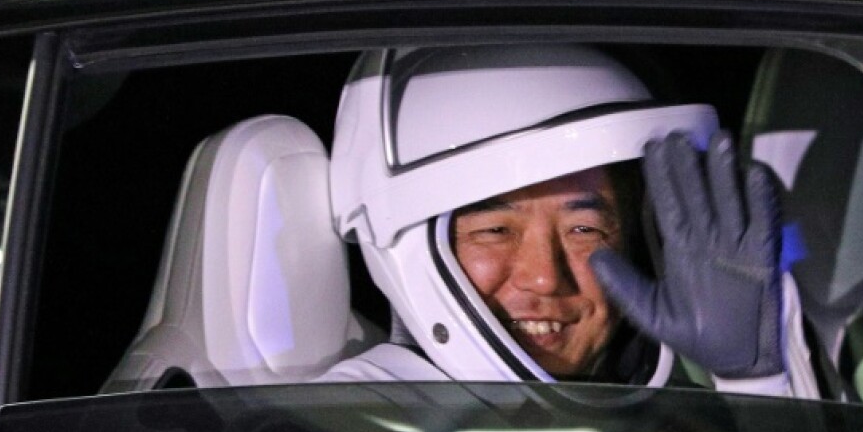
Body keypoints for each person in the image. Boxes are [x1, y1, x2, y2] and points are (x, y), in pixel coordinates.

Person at [320, 44, 818, 399]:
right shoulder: (345, 427)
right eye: (495, 230)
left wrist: (753, 383)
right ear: (404, 248)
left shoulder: (673, 417)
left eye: (584, 230)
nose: (545, 278)